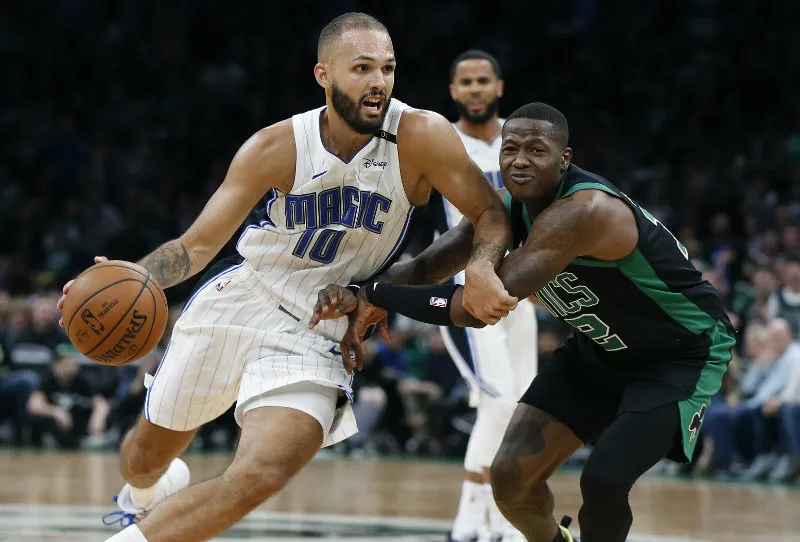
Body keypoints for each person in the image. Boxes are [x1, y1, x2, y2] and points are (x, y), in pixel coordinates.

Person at [56, 12, 514, 542]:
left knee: (262, 473)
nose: (379, 82)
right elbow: (196, 246)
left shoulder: (420, 136)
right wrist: (136, 273)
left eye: (387, 69)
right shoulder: (276, 146)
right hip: (241, 299)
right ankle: (146, 494)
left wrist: (479, 265)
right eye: (362, 68)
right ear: (324, 75)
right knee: (141, 460)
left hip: (320, 328)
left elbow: (492, 213)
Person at [312, 102, 736, 542]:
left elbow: (475, 309)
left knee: (604, 480)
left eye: (536, 150)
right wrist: (354, 292)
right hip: (601, 348)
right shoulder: (510, 207)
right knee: (511, 480)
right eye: (510, 149)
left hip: (681, 352)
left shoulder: (583, 211)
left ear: (564, 159)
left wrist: (378, 296)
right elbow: (423, 268)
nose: (519, 160)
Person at [440, 49, 537, 542]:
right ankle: (483, 517)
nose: (475, 88)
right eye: (466, 81)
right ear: (454, 91)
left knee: (517, 407)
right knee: (499, 402)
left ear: (499, 87)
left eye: (484, 80)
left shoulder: (522, 144)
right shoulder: (442, 144)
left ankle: (481, 522)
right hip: (469, 292)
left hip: (523, 292)